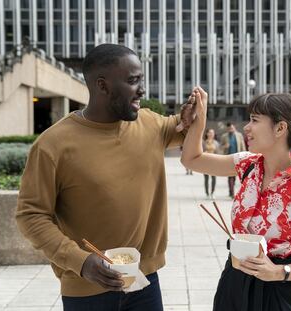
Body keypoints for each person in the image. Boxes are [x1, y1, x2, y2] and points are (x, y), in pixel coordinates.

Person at [16, 43, 195, 311]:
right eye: (133, 81)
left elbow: (182, 127)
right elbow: (30, 215)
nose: (142, 90)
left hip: (145, 281)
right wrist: (80, 260)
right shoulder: (52, 145)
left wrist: (192, 116)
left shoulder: (150, 124)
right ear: (102, 86)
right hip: (87, 287)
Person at [181, 89, 291, 311]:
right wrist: (201, 117)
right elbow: (191, 159)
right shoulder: (248, 164)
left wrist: (278, 272)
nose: (246, 127)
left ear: (280, 128)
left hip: (277, 295)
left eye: (254, 120)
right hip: (233, 285)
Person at [220, 123, 246, 198]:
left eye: (232, 128)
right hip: (228, 159)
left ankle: (236, 191)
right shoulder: (224, 136)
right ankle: (231, 192)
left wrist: (244, 156)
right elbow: (220, 147)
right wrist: (225, 146)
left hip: (238, 158)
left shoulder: (239, 135)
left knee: (237, 176)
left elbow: (243, 146)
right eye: (229, 128)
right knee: (230, 176)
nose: (231, 129)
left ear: (234, 127)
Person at [203, 128, 220, 199]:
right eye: (210, 133)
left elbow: (218, 153)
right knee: (206, 178)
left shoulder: (216, 143)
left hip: (214, 162)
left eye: (212, 133)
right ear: (207, 134)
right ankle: (207, 193)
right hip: (206, 162)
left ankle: (212, 193)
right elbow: (200, 152)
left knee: (213, 178)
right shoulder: (203, 143)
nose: (211, 134)